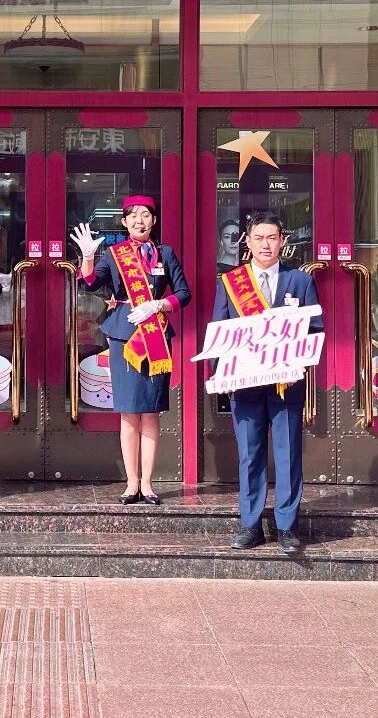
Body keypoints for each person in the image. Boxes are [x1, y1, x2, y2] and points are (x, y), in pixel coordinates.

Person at [210, 211, 321, 554]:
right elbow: (219, 329)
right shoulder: (231, 282)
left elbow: (315, 330)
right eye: (258, 238)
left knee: (288, 454)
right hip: (245, 383)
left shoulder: (299, 281)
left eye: (272, 238)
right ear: (247, 242)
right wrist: (220, 373)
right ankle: (251, 525)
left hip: (286, 383)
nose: (265, 244)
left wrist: (297, 362)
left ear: (282, 241)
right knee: (250, 455)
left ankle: (287, 526)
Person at [72, 195, 190, 505]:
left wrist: (158, 305)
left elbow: (183, 293)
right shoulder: (115, 254)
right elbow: (90, 284)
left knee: (150, 411)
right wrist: (87, 257)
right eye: (134, 215)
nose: (140, 220)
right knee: (128, 411)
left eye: (146, 215)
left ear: (154, 220)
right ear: (124, 222)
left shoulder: (165, 253)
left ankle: (148, 484)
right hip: (124, 336)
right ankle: (131, 483)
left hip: (157, 335)